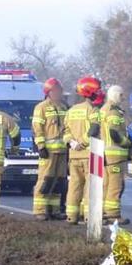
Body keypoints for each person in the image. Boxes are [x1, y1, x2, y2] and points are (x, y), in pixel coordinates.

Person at [62, 77, 103, 225]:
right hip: (90, 154)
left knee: (74, 185)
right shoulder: (93, 110)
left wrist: (73, 144)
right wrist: (83, 142)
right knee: (90, 186)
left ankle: (71, 216)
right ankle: (88, 216)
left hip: (74, 155)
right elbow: (94, 129)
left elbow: (65, 132)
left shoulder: (71, 111)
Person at [31, 78, 69, 221]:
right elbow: (37, 128)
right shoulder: (41, 107)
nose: (59, 93)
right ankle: (39, 210)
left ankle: (55, 210)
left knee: (59, 182)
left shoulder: (64, 107)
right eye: (56, 90)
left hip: (62, 151)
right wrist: (41, 146)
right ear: (49, 92)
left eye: (60, 90)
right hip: (48, 152)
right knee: (45, 180)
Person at [100, 85, 131, 224]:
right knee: (115, 185)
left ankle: (103, 212)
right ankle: (113, 215)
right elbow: (114, 133)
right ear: (116, 95)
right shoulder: (113, 112)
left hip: (104, 154)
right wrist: (127, 142)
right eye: (122, 95)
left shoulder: (103, 109)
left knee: (106, 185)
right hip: (115, 155)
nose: (123, 98)